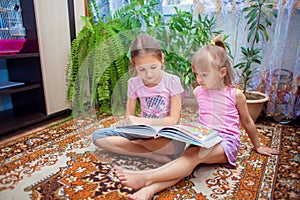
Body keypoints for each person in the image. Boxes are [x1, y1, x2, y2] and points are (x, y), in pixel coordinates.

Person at [114, 36, 280, 200]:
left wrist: (257, 146)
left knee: (192, 158)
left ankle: (146, 177)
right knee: (186, 161)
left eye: (205, 75)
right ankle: (150, 190)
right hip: (204, 138)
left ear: (222, 73)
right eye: (197, 74)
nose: (199, 80)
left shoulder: (235, 94)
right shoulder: (198, 92)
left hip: (226, 143)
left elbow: (247, 121)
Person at [92, 33, 186, 163]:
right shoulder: (133, 83)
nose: (148, 74)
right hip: (142, 132)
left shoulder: (172, 81)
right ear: (134, 65)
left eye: (153, 67)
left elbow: (174, 120)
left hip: (165, 133)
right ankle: (149, 154)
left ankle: (133, 146)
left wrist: (145, 122)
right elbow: (129, 116)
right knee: (98, 137)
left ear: (162, 59)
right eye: (142, 69)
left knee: (175, 147)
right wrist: (135, 125)